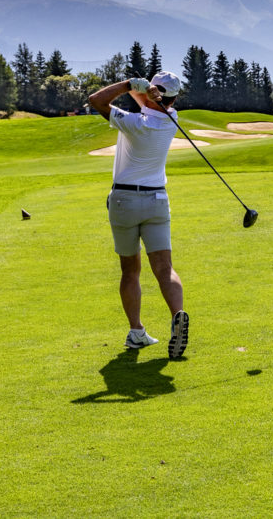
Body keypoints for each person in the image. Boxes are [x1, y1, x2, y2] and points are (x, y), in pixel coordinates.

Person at [87, 72, 190, 360]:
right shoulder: (171, 119)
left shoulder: (135, 124)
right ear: (175, 97)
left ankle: (136, 331)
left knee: (130, 270)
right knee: (164, 267)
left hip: (125, 200)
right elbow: (148, 103)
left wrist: (128, 84)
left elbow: (96, 100)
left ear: (155, 92)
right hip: (157, 200)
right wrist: (144, 89)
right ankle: (178, 314)